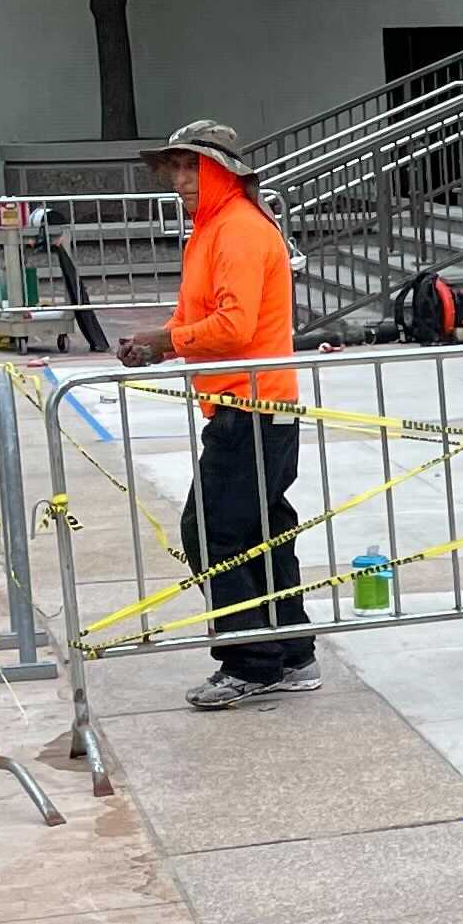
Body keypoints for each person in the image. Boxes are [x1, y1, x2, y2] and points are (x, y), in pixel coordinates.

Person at [116, 118, 319, 709]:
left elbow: (234, 326)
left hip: (252, 409)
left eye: (193, 168)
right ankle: (290, 652)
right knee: (259, 532)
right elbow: (198, 319)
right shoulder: (212, 230)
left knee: (211, 532)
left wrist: (166, 341)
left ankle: (251, 661)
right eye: (176, 168)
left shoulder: (238, 230)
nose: (181, 180)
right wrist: (160, 343)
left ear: (224, 173)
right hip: (246, 408)